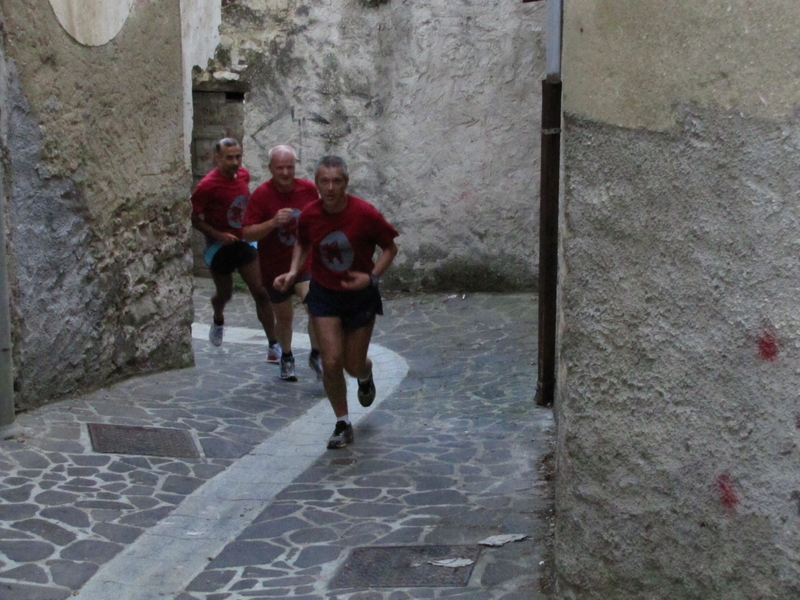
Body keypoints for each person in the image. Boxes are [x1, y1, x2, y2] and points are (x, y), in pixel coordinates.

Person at [274, 156, 399, 449]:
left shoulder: (364, 213)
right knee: (331, 361)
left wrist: (371, 278)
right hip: (325, 294)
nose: (330, 188)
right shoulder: (310, 214)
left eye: (336, 181)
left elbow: (390, 248)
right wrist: (293, 272)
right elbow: (303, 242)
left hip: (359, 296)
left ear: (346, 183)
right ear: (316, 183)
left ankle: (365, 375)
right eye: (324, 181)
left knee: (352, 363)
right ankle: (342, 422)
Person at [190, 138, 280, 361]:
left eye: (238, 156)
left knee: (261, 292)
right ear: (217, 158)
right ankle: (218, 317)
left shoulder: (244, 175)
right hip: (219, 246)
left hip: (242, 241)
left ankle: (273, 344)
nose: (235, 162)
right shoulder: (206, 186)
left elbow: (243, 202)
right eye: (229, 157)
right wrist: (219, 235)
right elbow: (194, 219)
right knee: (225, 294)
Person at [242, 145, 322, 382]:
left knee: (315, 308)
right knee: (284, 316)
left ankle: (317, 354)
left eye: (290, 167)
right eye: (280, 168)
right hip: (274, 266)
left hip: (305, 263)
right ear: (270, 169)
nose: (286, 173)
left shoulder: (308, 189)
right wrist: (272, 223)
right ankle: (286, 357)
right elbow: (247, 233)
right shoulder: (261, 195)